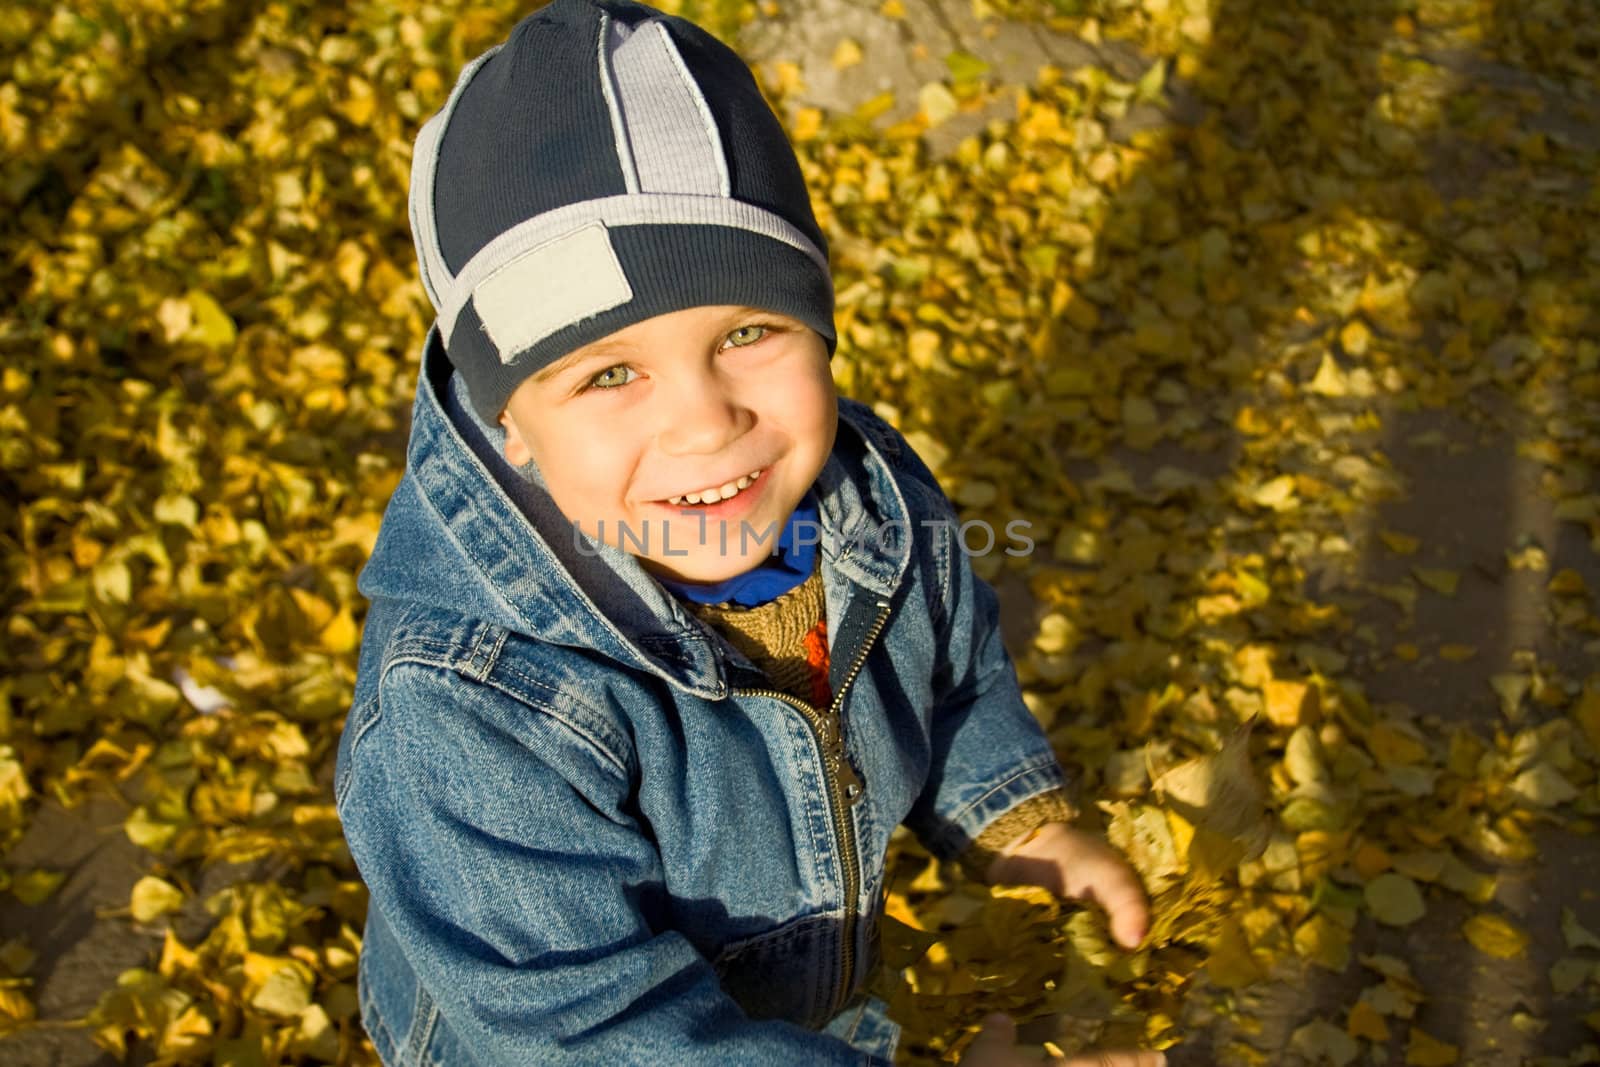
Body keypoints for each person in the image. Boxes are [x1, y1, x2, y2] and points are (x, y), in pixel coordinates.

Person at [334, 1, 1161, 1063]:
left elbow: (951, 680)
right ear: (509, 421)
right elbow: (587, 1035)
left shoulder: (876, 503)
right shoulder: (470, 704)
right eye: (609, 372)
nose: (705, 419)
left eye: (749, 331)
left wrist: (1019, 825)